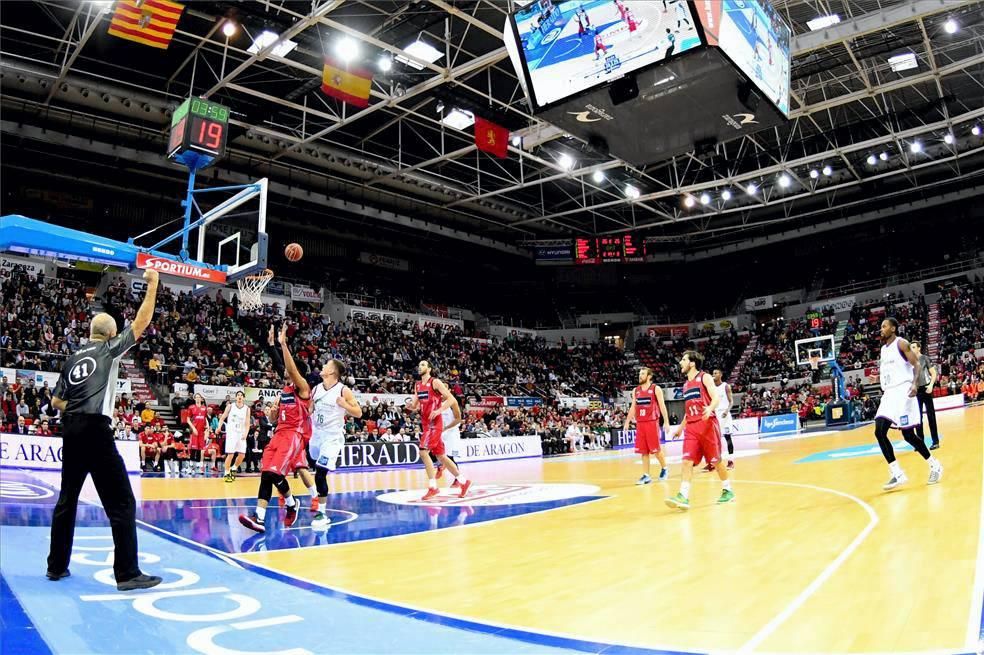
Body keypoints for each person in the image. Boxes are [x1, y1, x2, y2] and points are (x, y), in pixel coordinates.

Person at [46, 268, 161, 591]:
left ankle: (56, 566)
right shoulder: (109, 350)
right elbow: (141, 322)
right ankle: (127, 573)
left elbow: (56, 401)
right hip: (97, 429)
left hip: (71, 429)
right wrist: (152, 284)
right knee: (122, 502)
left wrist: (78, 411)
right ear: (111, 335)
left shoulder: (72, 358)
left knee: (67, 499)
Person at [239, 323, 311, 533]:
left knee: (272, 473)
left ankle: (265, 514)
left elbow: (288, 366)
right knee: (266, 475)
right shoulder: (286, 389)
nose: (284, 372)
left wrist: (283, 344)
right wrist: (271, 345)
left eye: (290, 371)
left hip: (293, 436)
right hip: (279, 434)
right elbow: (280, 364)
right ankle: (275, 511)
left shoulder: (304, 389)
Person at [873, 319, 943, 490]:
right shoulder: (883, 349)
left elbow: (916, 364)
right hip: (889, 394)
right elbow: (889, 371)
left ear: (893, 328)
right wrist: (877, 379)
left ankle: (935, 465)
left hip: (903, 392)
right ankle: (897, 473)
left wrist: (914, 384)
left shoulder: (902, 343)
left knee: (908, 436)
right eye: (881, 326)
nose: (881, 329)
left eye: (884, 326)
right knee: (879, 431)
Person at [666, 351, 735, 510]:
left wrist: (710, 407)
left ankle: (728, 490)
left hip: (708, 424)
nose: (680, 363)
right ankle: (683, 496)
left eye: (683, 360)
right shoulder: (685, 385)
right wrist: (680, 428)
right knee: (686, 461)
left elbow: (716, 398)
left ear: (692, 363)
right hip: (691, 427)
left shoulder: (705, 377)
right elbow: (688, 409)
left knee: (715, 461)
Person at [308, 359, 362, 530]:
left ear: (332, 371)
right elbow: (309, 409)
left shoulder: (343, 390)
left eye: (326, 365)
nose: (322, 367)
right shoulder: (316, 388)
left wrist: (344, 405)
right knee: (313, 464)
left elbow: (359, 413)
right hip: (316, 435)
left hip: (332, 437)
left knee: (320, 472)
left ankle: (322, 513)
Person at [408, 360, 471, 501]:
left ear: (429, 368)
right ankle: (463, 481)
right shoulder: (417, 385)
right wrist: (408, 406)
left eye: (423, 365)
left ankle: (433, 487)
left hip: (435, 424)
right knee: (442, 457)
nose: (420, 367)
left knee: (423, 452)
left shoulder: (435, 382)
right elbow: (414, 405)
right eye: (419, 365)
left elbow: (451, 398)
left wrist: (439, 410)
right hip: (426, 424)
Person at [624, 367, 669, 484]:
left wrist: (666, 421)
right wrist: (627, 421)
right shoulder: (636, 390)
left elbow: (662, 406)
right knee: (643, 451)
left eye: (643, 374)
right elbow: (633, 407)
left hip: (652, 422)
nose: (640, 376)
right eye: (639, 374)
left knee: (656, 450)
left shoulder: (655, 389)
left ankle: (664, 468)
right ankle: (646, 475)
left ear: (649, 376)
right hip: (640, 423)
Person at [910, 342, 940, 450]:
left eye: (913, 347)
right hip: (916, 391)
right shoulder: (909, 361)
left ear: (919, 348)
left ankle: (935, 441)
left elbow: (934, 373)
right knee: (918, 418)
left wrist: (931, 385)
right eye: (910, 347)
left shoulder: (925, 358)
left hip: (926, 389)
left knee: (931, 416)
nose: (911, 349)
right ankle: (920, 443)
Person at [216, 390, 251, 482]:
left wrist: (246, 433)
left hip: (241, 433)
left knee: (242, 455)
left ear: (243, 398)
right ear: (236, 397)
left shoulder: (247, 408)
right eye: (238, 395)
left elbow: (247, 423)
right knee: (230, 454)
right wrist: (219, 427)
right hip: (232, 432)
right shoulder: (230, 406)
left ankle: (234, 468)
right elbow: (223, 417)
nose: (239, 397)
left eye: (241, 395)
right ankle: (226, 473)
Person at [435, 395, 465, 488]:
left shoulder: (453, 403)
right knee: (439, 453)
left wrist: (446, 427)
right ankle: (441, 466)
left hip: (452, 433)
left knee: (450, 457)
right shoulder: (438, 403)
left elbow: (459, 420)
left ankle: (458, 480)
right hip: (441, 432)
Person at [712, 369, 735, 470]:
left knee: (727, 437)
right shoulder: (711, 387)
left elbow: (731, 402)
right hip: (715, 414)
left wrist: (727, 411)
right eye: (713, 373)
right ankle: (713, 462)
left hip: (724, 415)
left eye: (716, 373)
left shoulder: (726, 386)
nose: (714, 375)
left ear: (720, 375)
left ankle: (731, 461)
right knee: (714, 440)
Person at [186, 393, 208, 475]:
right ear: (194, 399)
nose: (198, 398)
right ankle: (190, 467)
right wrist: (193, 428)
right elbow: (188, 420)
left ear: (201, 399)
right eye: (197, 397)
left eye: (199, 397)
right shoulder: (191, 407)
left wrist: (207, 429)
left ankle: (199, 467)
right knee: (193, 449)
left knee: (200, 449)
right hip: (194, 432)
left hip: (201, 432)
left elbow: (205, 419)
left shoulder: (204, 408)